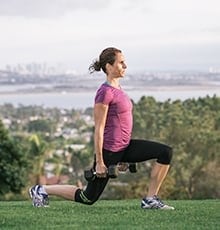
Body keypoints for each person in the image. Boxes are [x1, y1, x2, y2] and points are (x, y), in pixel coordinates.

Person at [29, 47, 174, 210]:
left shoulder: (118, 89)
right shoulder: (104, 93)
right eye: (121, 62)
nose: (125, 66)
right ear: (109, 66)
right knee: (87, 197)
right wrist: (100, 162)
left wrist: (124, 158)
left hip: (125, 147)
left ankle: (150, 199)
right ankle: (41, 190)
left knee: (165, 152)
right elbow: (99, 128)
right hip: (110, 151)